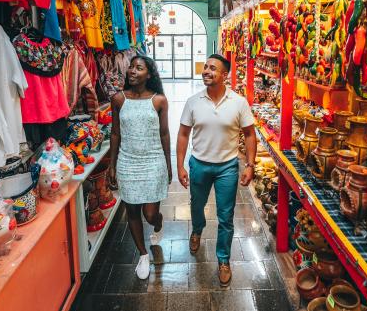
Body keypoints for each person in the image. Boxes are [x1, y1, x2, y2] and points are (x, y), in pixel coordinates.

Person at [176, 53, 257, 286]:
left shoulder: (238, 102)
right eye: (205, 67)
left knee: (226, 216)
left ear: (224, 75)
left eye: (213, 68)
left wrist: (250, 164)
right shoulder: (193, 101)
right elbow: (183, 134)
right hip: (199, 164)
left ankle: (223, 259)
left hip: (227, 168)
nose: (206, 71)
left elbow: (249, 134)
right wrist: (180, 165)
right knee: (197, 205)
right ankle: (197, 230)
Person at [108, 55, 172, 280]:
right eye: (131, 67)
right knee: (133, 211)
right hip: (127, 162)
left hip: (153, 161)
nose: (132, 71)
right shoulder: (118, 99)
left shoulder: (159, 100)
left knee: (150, 213)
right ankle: (143, 254)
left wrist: (169, 164)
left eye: (139, 68)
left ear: (149, 74)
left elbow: (164, 134)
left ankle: (158, 222)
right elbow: (115, 134)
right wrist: (112, 165)